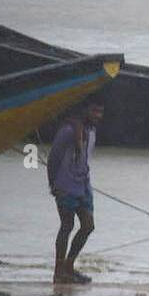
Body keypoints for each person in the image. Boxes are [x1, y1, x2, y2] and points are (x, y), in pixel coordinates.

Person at [48, 100, 104, 284]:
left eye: (100, 112)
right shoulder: (69, 131)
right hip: (65, 185)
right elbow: (53, 157)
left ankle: (68, 267)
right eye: (94, 111)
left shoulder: (92, 132)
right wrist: (53, 184)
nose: (97, 116)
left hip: (83, 185)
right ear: (85, 111)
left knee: (88, 225)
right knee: (67, 225)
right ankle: (59, 271)